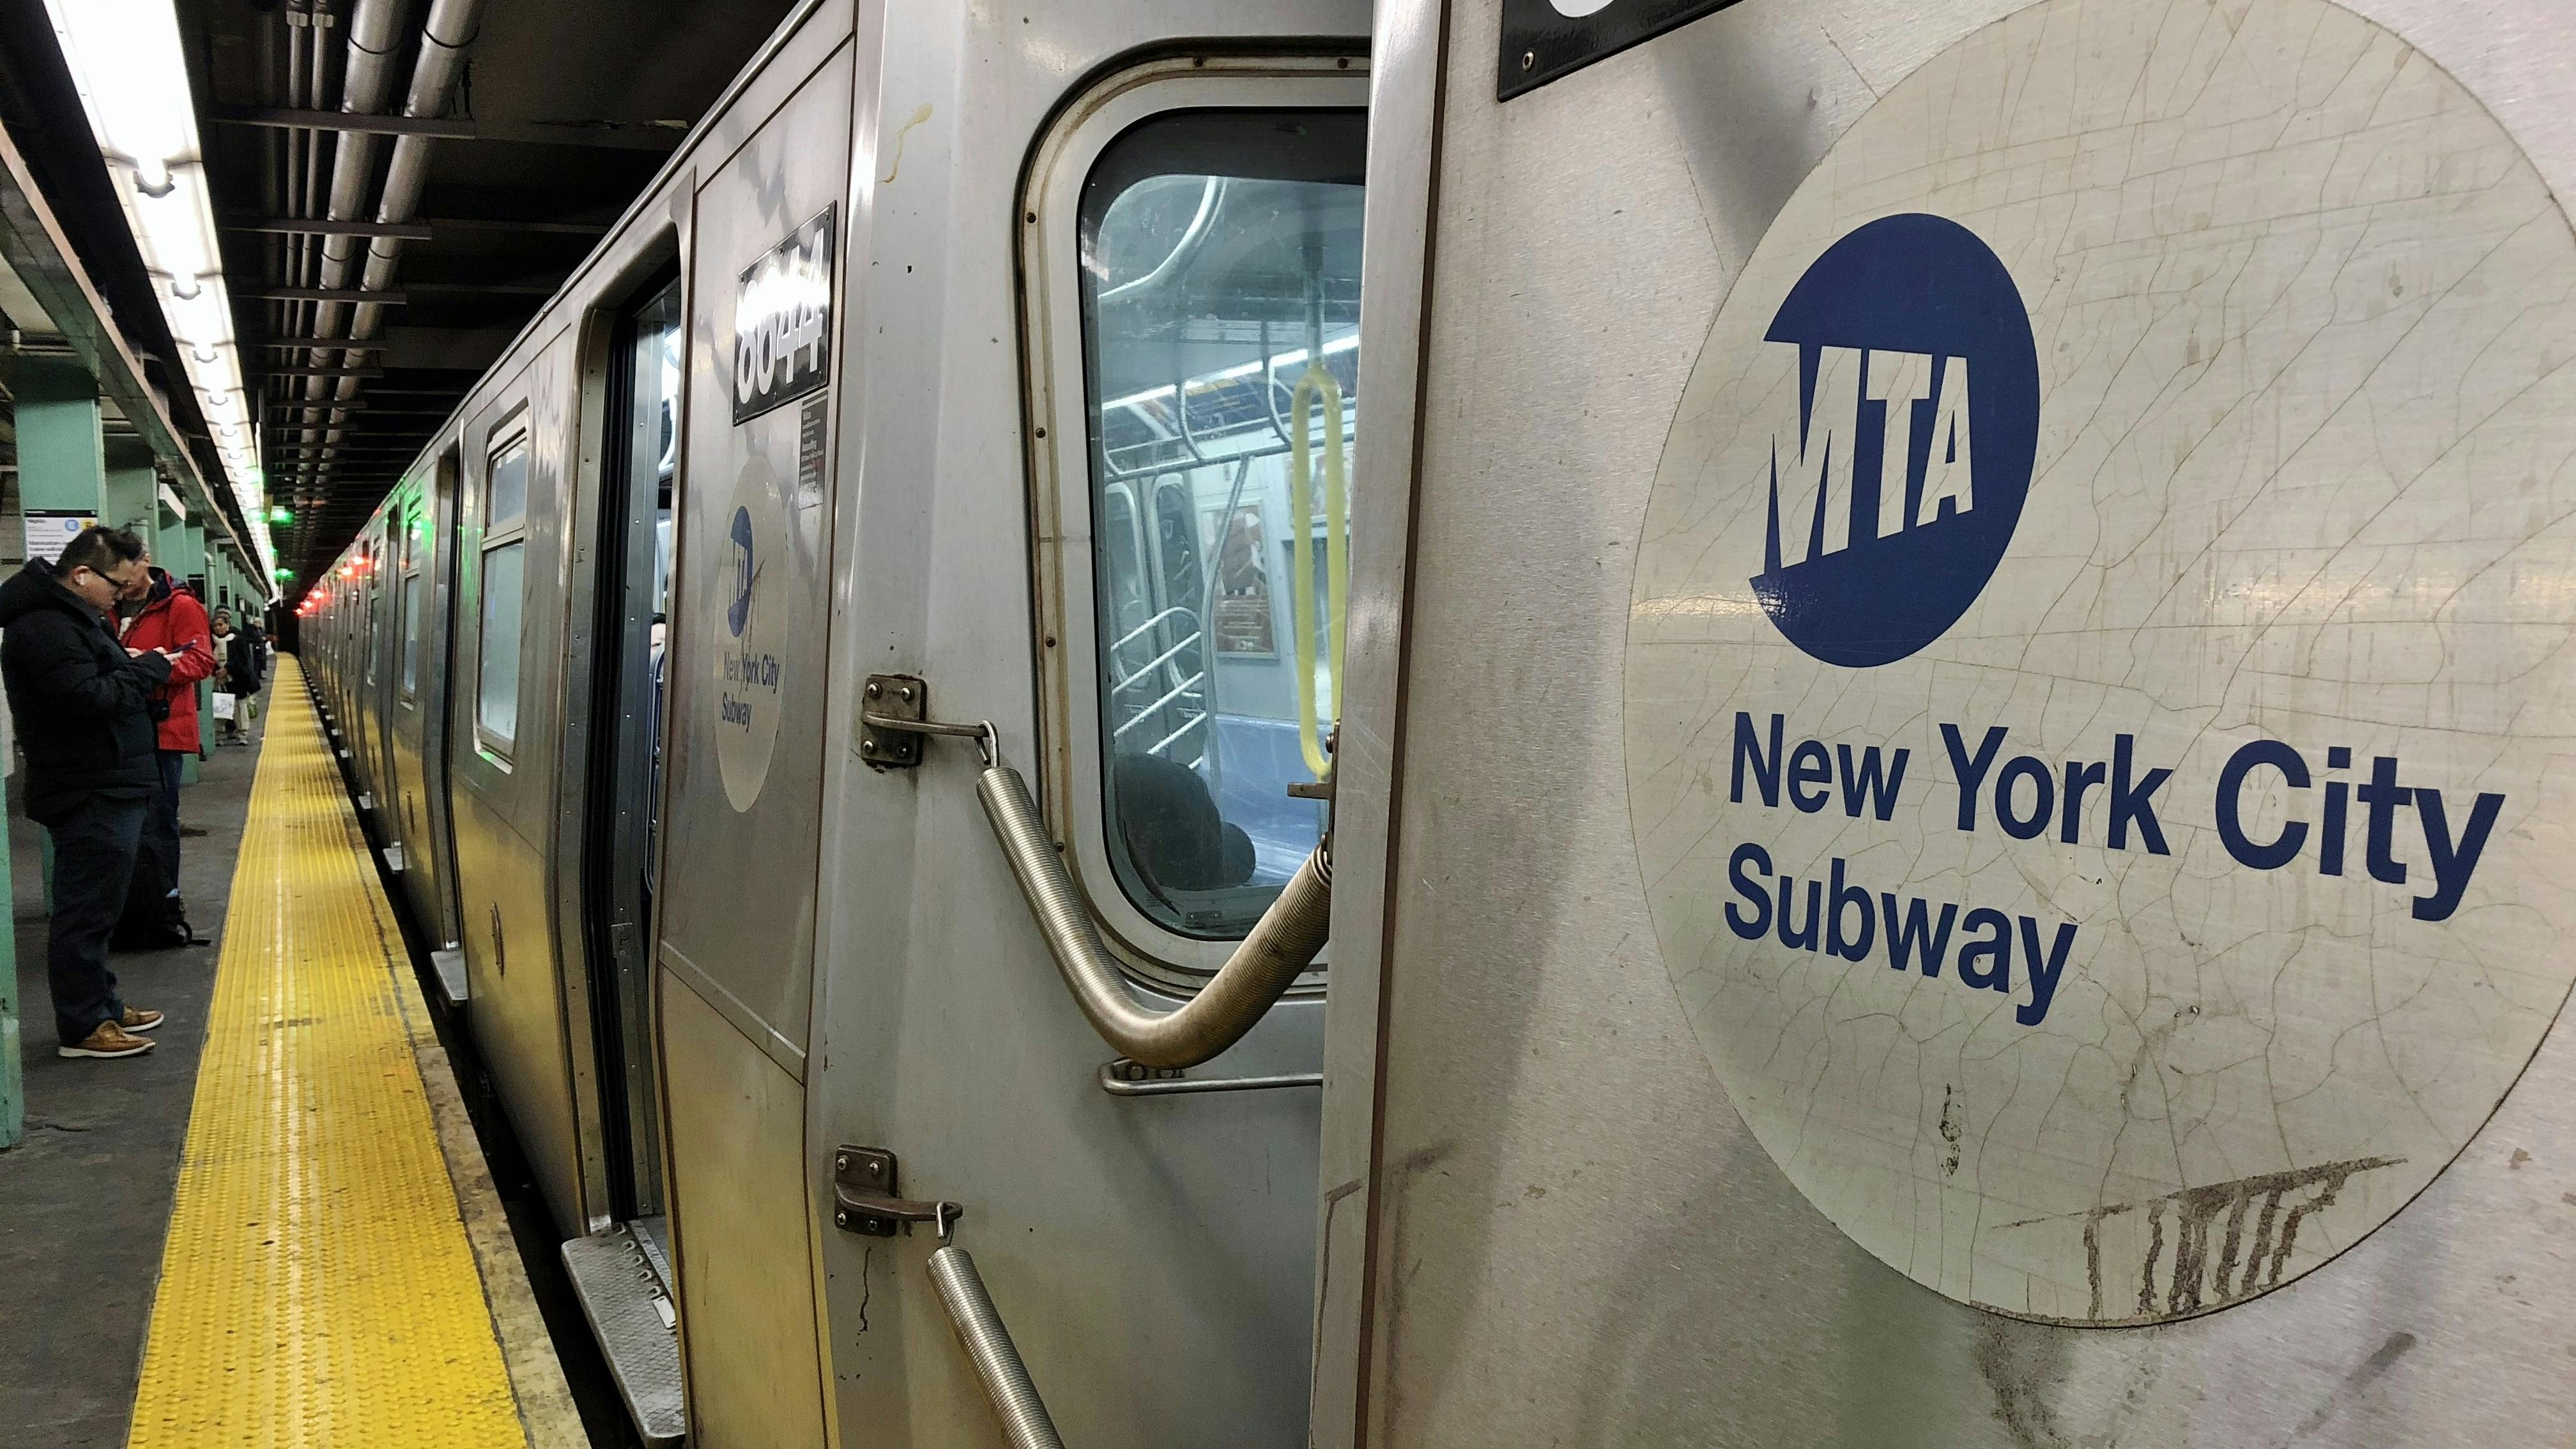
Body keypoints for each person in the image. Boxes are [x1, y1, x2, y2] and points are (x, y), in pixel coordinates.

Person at [0, 527, 179, 1059]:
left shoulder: (72, 621)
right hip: (88, 788)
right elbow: (84, 699)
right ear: (82, 575)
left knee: (101, 906)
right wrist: (148, 668)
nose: (123, 594)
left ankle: (101, 1003)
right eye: (117, 584)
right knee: (84, 912)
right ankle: (82, 1026)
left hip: (105, 783)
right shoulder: (46, 628)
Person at [116, 555, 216, 939]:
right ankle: (131, 907)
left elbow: (201, 661)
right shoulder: (104, 607)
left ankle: (162, 905)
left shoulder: (180, 605)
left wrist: (149, 665)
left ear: (145, 562)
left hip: (162, 733)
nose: (120, 581)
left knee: (158, 822)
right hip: (120, 731)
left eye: (125, 570)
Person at [223, 606, 266, 743]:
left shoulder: (239, 638)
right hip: (220, 680)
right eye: (216, 625)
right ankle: (224, 732)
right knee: (223, 705)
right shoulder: (211, 639)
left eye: (221, 624)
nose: (218, 628)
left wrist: (228, 669)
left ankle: (241, 733)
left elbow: (243, 661)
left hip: (238, 678)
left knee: (240, 705)